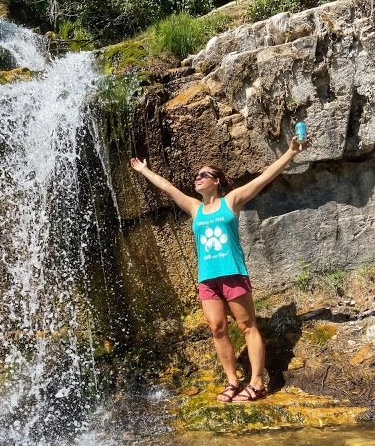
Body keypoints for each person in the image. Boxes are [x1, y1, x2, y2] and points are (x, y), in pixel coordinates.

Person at [130, 135, 311, 402]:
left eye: (204, 174)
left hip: (232, 272)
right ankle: (232, 381)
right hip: (207, 278)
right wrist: (144, 170)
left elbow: (264, 178)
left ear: (217, 181)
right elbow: (168, 188)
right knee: (217, 327)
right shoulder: (194, 207)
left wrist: (291, 152)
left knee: (247, 326)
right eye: (196, 175)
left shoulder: (231, 201)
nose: (198, 177)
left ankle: (258, 382)